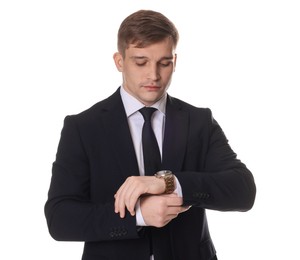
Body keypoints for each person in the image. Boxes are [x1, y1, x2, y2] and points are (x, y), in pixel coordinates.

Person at [44, 9, 256, 260]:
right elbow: (60, 218)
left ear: (174, 62)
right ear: (119, 61)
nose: (153, 75)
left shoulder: (198, 121)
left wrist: (169, 183)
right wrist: (140, 215)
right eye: (141, 62)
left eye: (164, 63)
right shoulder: (83, 127)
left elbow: (242, 190)